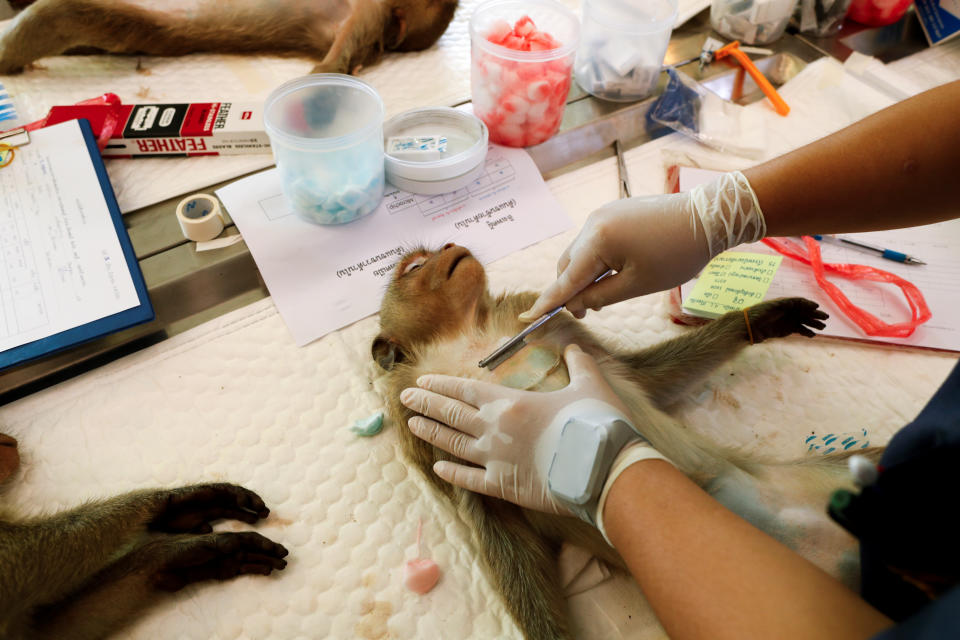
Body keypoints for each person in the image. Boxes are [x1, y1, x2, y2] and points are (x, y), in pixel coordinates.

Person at [399, 77, 960, 640]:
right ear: (389, 349)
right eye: (411, 269)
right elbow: (502, 542)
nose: (446, 249)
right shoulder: (418, 397)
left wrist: (733, 330)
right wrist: (729, 211)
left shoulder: (525, 313)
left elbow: (641, 379)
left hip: (731, 528)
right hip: (735, 551)